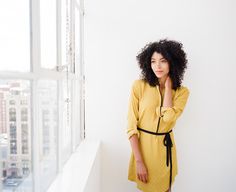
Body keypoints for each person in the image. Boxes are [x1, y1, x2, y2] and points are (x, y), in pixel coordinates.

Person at [126, 39, 190, 192]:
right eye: (153, 61)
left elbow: (168, 118)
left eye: (163, 61)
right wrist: (139, 161)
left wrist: (168, 88)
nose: (157, 66)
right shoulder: (139, 86)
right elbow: (131, 127)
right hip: (144, 151)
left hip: (165, 150)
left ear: (172, 63)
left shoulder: (182, 92)